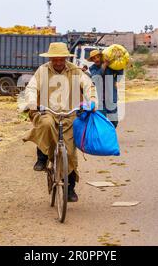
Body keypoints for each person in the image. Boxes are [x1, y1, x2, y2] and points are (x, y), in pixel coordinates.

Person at [20, 42, 97, 202]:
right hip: (47, 111)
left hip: (70, 115)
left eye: (61, 60)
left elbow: (89, 86)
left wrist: (92, 102)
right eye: (55, 60)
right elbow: (31, 88)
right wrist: (33, 104)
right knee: (46, 124)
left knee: (69, 152)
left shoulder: (75, 71)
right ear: (51, 59)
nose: (58, 63)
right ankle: (42, 154)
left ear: (65, 58)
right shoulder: (42, 71)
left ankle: (70, 189)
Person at [88, 50, 123, 128]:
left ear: (101, 57)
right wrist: (104, 65)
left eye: (98, 57)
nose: (96, 59)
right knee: (101, 119)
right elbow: (95, 78)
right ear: (92, 60)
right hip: (100, 99)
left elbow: (119, 77)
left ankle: (111, 135)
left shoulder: (111, 66)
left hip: (111, 97)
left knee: (114, 121)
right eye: (94, 58)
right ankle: (104, 138)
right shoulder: (92, 68)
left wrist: (121, 65)